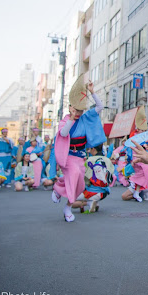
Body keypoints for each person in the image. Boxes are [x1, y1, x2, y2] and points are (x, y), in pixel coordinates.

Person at [53, 79, 106, 222]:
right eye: (76, 110)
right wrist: (71, 117)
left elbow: (100, 106)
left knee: (80, 184)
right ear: (70, 108)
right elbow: (63, 134)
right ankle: (68, 209)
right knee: (74, 174)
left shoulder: (85, 118)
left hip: (80, 156)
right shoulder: (65, 121)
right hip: (68, 155)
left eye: (80, 110)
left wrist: (92, 91)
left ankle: (59, 188)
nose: (78, 113)